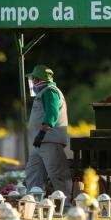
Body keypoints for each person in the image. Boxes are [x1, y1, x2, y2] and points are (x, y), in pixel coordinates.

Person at [24, 65, 72, 204]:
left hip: (49, 140)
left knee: (58, 175)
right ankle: (32, 205)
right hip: (40, 143)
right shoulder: (44, 92)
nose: (31, 81)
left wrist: (42, 133)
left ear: (37, 79)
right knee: (33, 174)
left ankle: (67, 205)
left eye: (33, 78)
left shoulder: (50, 91)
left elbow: (52, 113)